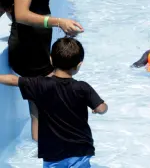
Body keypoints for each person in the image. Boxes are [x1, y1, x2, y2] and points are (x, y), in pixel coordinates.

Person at [0, 0, 84, 141]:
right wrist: (59, 21)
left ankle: (44, 155)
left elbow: (8, 7)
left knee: (41, 109)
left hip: (32, 46)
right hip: (29, 49)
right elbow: (22, 13)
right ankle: (51, 155)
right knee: (46, 109)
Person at [0, 38, 107, 167]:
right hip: (81, 149)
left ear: (51, 60)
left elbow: (13, 80)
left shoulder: (40, 84)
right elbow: (101, 108)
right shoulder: (83, 87)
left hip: (53, 152)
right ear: (79, 65)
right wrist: (100, 108)